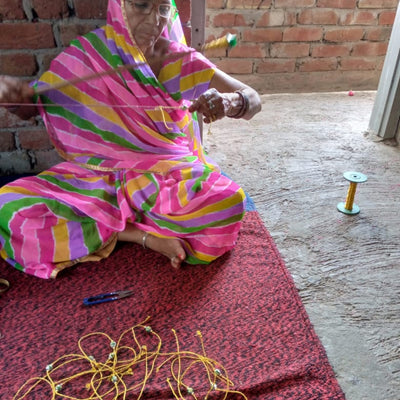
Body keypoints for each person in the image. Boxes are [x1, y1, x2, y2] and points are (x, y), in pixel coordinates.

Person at [0, 0, 261, 279]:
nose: (154, 21)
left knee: (228, 202)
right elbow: (33, 106)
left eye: (162, 9)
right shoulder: (90, 55)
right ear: (119, 6)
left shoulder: (177, 59)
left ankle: (106, 224)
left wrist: (229, 102)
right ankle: (137, 234)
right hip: (100, 177)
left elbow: (253, 99)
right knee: (8, 207)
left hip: (166, 177)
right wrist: (13, 99)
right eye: (141, 5)